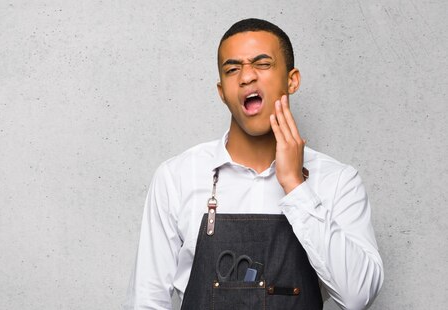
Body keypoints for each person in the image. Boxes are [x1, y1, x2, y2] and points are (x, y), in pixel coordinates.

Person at [124, 18, 383, 309]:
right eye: (233, 69)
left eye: (262, 64)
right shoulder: (176, 177)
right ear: (222, 92)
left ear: (292, 80)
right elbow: (145, 302)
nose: (246, 77)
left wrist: (296, 187)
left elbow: (359, 296)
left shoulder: (337, 181)